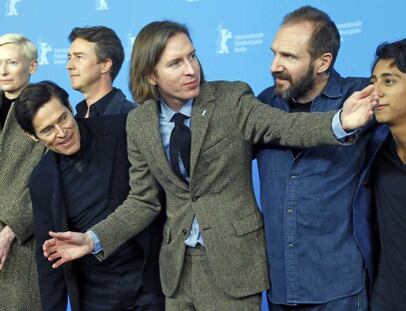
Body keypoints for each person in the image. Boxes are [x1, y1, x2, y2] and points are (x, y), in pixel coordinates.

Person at [42, 21, 376, 310]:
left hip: (234, 264)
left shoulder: (230, 99)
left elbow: (283, 126)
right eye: (175, 63)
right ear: (150, 75)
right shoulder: (140, 122)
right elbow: (143, 201)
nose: (191, 69)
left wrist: (339, 122)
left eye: (192, 56)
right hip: (176, 271)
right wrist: (93, 239)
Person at [256, 6, 375, 310]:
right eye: (275, 53)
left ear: (323, 62)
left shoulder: (361, 98)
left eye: (289, 57)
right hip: (280, 291)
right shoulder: (262, 105)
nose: (274, 66)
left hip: (340, 291)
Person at [14, 81, 165, 311]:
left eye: (62, 118)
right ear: (32, 136)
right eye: (47, 130)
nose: (62, 133)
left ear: (70, 108)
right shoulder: (41, 180)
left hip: (150, 281)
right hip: (95, 296)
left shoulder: (121, 130)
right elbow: (49, 257)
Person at [361, 38, 406, 311]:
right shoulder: (375, 148)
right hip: (385, 300)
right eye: (374, 81)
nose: (376, 92)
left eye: (389, 81)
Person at [0, 33, 44, 310]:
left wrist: (11, 228)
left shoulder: (47, 110)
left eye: (12, 62)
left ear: (32, 67)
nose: (3, 70)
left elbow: (51, 180)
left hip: (21, 242)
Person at [67, 26, 136, 118]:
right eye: (69, 58)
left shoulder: (132, 116)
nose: (69, 66)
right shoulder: (75, 120)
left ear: (105, 65)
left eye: (79, 57)